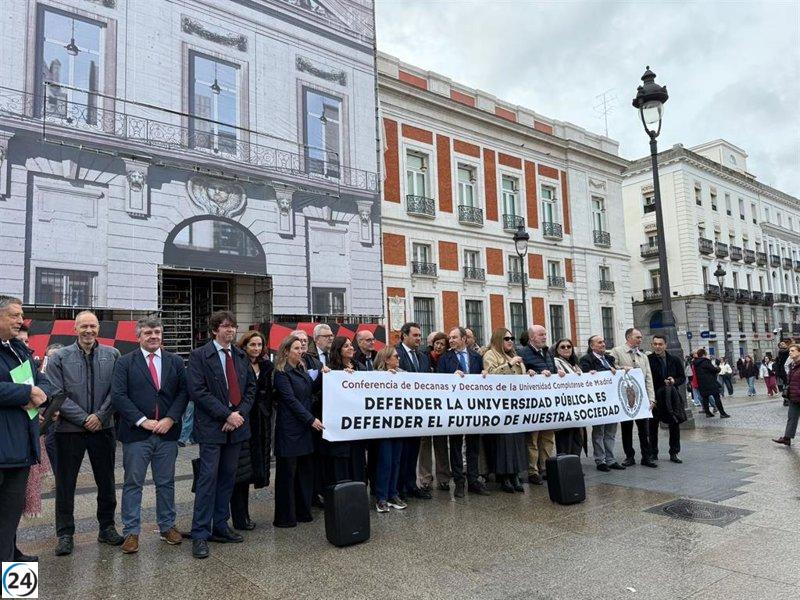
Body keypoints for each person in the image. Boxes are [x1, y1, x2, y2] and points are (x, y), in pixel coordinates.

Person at [47, 310, 123, 556]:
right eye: (84, 327)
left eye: (92, 326)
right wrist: (84, 418)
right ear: (74, 329)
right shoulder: (60, 357)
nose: (88, 331)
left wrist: (100, 416)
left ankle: (107, 527)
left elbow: (117, 391)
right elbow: (56, 392)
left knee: (106, 480)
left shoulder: (112, 354)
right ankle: (65, 533)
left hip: (103, 428)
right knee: (65, 483)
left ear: (98, 328)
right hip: (69, 430)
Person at [111, 317, 188, 554]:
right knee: (133, 483)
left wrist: (170, 419)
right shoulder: (125, 362)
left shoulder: (175, 361)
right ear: (138, 336)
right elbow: (119, 396)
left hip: (167, 433)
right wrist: (144, 421)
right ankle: (131, 532)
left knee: (166, 482)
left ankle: (167, 526)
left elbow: (184, 392)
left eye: (157, 332)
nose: (153, 336)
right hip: (137, 434)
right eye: (148, 333)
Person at [188, 311, 256, 559]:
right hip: (212, 429)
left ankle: (220, 525)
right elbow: (198, 391)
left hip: (236, 428)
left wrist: (238, 415)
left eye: (233, 326)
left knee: (228, 478)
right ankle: (200, 533)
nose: (231, 330)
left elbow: (250, 388)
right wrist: (225, 415)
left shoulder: (239, 355)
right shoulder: (199, 356)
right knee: (208, 479)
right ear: (215, 330)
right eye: (226, 326)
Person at [0, 296, 50, 563]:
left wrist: (42, 392)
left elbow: (43, 380)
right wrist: (26, 392)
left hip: (20, 451)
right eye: (15, 316)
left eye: (22, 316)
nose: (21, 321)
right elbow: (30, 387)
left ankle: (12, 581)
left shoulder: (19, 350)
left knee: (8, 523)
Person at [272, 335, 323, 527]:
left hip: (304, 430)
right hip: (290, 431)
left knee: (304, 473)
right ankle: (285, 517)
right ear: (286, 351)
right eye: (296, 348)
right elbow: (290, 401)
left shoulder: (300, 369)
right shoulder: (281, 373)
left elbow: (309, 390)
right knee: (287, 475)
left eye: (301, 348)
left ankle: (303, 511)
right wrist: (311, 420)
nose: (300, 351)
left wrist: (326, 375)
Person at [437, 327, 489, 498]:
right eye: (450, 338)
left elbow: (482, 379)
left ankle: (473, 480)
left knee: (474, 446)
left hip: (474, 407)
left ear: (464, 339)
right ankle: (459, 482)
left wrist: (484, 374)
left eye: (454, 337)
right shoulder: (445, 358)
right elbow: (439, 382)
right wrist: (452, 376)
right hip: (455, 408)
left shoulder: (476, 357)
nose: (450, 340)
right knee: (456, 446)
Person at [230, 331, 273, 531]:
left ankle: (244, 515)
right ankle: (239, 516)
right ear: (244, 345)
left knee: (253, 469)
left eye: (259, 345)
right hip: (242, 419)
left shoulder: (266, 365)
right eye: (252, 345)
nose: (256, 348)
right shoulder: (238, 362)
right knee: (240, 472)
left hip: (260, 423)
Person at [483, 328, 529, 493]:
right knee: (504, 442)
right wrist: (509, 364)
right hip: (501, 405)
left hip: (516, 405)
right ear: (498, 339)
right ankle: (504, 477)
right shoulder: (490, 355)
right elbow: (490, 375)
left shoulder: (514, 355)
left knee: (517, 440)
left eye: (512, 338)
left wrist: (529, 372)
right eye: (506, 338)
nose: (510, 341)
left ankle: (515, 474)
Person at [520, 325, 562, 484]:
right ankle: (533, 471)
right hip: (533, 404)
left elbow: (550, 370)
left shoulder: (548, 352)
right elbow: (521, 374)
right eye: (541, 335)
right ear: (531, 337)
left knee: (548, 437)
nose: (545, 337)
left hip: (548, 402)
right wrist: (533, 374)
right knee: (533, 438)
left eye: (545, 334)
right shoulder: (523, 353)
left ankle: (545, 467)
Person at [322, 337, 366, 484]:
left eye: (351, 345)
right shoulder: (331, 369)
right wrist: (340, 376)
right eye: (346, 346)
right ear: (338, 349)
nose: (351, 348)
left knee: (358, 464)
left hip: (357, 428)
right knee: (341, 466)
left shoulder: (360, 367)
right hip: (340, 430)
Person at [611, 328, 657, 468]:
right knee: (627, 428)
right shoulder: (617, 351)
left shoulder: (643, 356)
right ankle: (629, 456)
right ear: (629, 337)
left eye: (641, 337)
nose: (640, 339)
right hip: (625, 396)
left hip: (641, 397)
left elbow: (648, 377)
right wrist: (620, 369)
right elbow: (611, 367)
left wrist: (651, 398)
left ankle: (646, 456)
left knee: (644, 429)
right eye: (637, 337)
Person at [395, 322, 431, 500]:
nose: (419, 338)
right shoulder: (395, 354)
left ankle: (411, 485)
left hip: (418, 414)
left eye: (419, 335)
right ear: (404, 336)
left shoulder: (423, 357)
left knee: (413, 451)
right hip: (401, 413)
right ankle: (399, 487)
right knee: (402, 453)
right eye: (415, 335)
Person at [579, 336, 624, 472]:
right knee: (599, 432)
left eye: (603, 342)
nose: (603, 344)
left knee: (610, 432)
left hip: (611, 401)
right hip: (598, 403)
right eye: (599, 342)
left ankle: (610, 459)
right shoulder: (586, 360)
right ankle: (600, 460)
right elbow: (584, 378)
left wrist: (620, 370)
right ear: (592, 346)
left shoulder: (609, 359)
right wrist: (591, 374)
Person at [372, 346, 407, 512]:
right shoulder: (375, 376)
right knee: (385, 461)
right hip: (383, 426)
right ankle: (381, 497)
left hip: (399, 425)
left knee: (396, 460)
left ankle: (392, 493)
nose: (398, 359)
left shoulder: (403, 374)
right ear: (386, 360)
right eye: (395, 357)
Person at [417, 331, 450, 492]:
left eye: (442, 344)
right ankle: (425, 478)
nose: (438, 346)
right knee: (425, 443)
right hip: (425, 406)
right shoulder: (424, 357)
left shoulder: (448, 360)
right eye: (437, 343)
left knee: (441, 443)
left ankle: (443, 478)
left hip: (442, 408)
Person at [646, 335, 686, 464]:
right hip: (655, 398)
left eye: (660, 344)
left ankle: (674, 452)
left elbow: (682, 377)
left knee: (674, 425)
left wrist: (674, 381)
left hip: (671, 397)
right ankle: (653, 453)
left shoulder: (674, 359)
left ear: (665, 345)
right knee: (652, 427)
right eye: (655, 344)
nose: (658, 346)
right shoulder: (648, 359)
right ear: (652, 345)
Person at [552, 338, 588, 456]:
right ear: (557, 350)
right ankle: (565, 469)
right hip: (564, 409)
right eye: (562, 347)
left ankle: (574, 467)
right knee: (565, 441)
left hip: (576, 409)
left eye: (569, 346)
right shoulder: (555, 362)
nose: (566, 348)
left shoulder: (574, 364)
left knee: (577, 440)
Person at [772, 343, 800, 446]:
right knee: (792, 417)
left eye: (793, 350)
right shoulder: (792, 365)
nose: (790, 352)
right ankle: (787, 438)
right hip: (793, 396)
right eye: (790, 351)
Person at [693, 348, 730, 418]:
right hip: (710, 382)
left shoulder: (696, 363)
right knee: (717, 397)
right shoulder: (705, 361)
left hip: (702, 383)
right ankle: (722, 413)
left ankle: (708, 413)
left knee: (705, 398)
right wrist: (718, 368)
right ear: (704, 354)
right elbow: (713, 369)